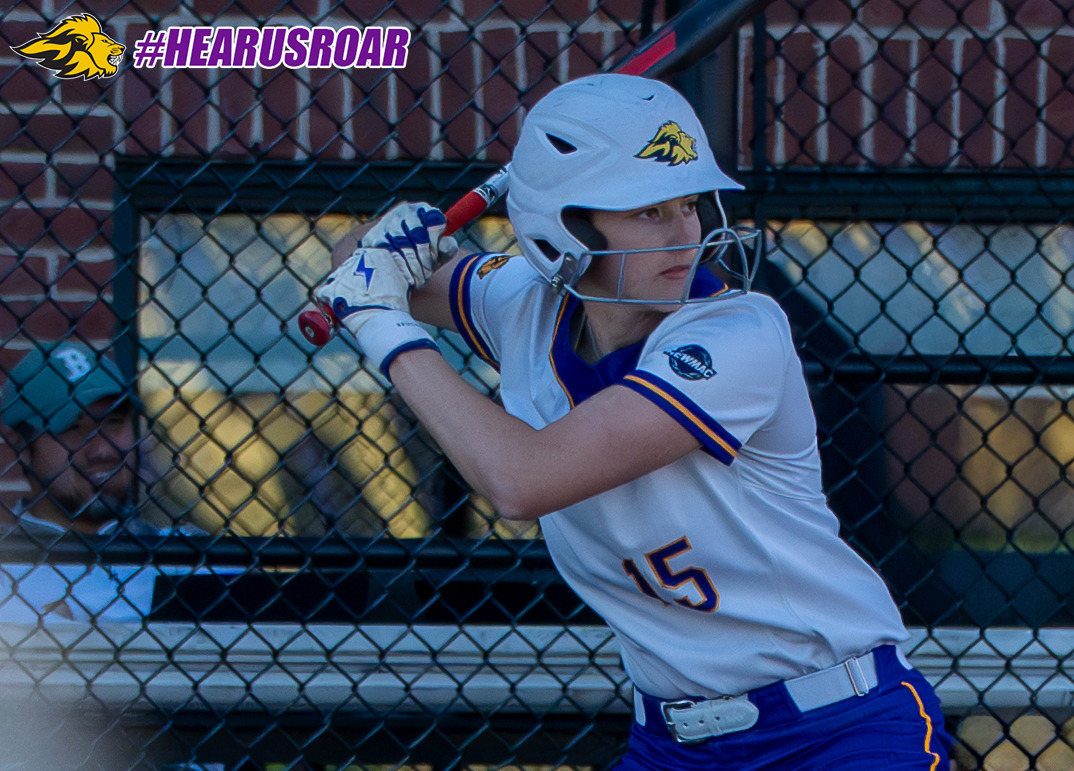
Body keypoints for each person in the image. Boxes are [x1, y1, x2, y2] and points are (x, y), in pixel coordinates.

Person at [317, 73, 953, 769]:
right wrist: (388, 240)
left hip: (835, 729)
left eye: (689, 204)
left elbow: (519, 481)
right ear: (564, 225)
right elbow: (359, 265)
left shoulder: (738, 333)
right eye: (648, 211)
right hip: (672, 742)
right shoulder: (523, 302)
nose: (687, 234)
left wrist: (383, 327)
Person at [0, 341, 199, 622]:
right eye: (72, 428)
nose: (103, 450)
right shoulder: (5, 570)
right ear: (22, 448)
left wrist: (78, 611)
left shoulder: (186, 553)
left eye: (114, 422)